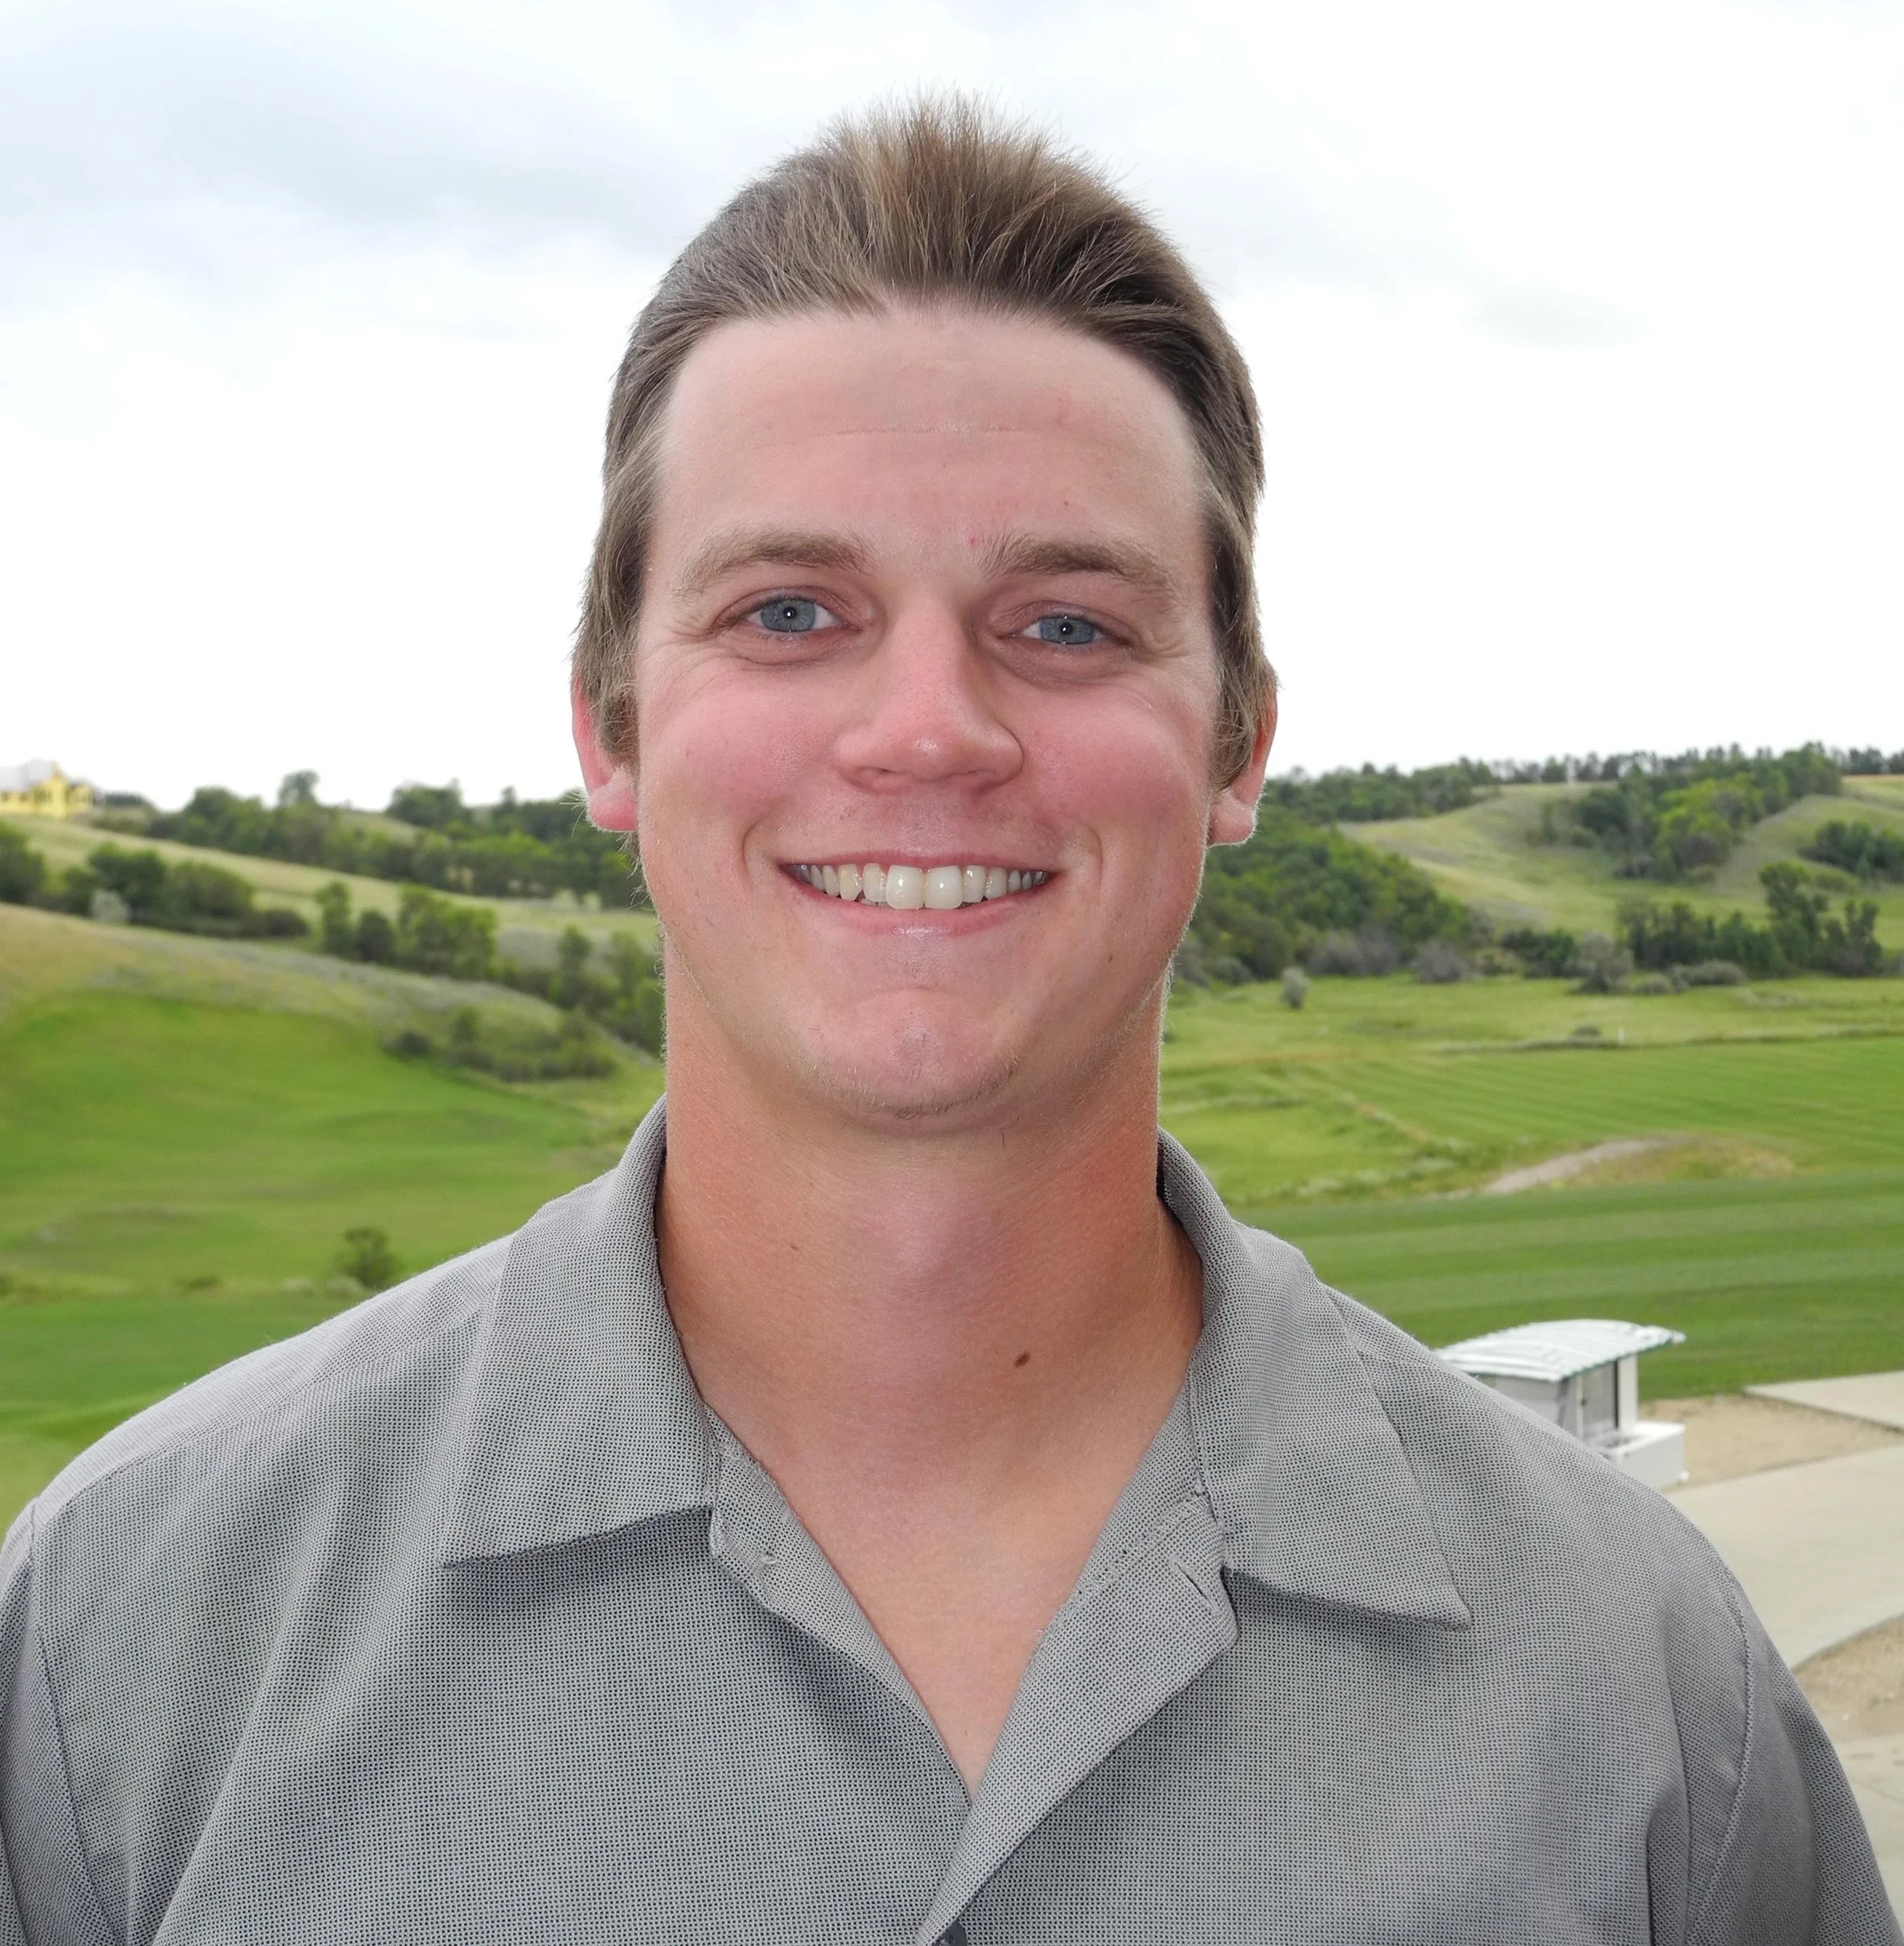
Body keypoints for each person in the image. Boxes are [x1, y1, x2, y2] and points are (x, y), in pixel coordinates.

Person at [1, 101, 1895, 1946]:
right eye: (790, 610)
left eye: (1064, 624)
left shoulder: (1637, 1682)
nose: (925, 728)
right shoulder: (126, 1638)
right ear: (607, 725)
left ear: (1233, 743)